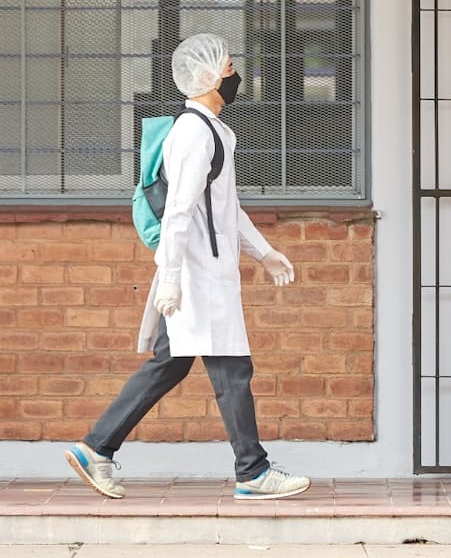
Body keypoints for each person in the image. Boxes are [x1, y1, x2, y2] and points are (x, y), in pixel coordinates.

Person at [64, 33, 311, 501]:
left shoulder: (214, 131)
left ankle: (96, 448)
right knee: (232, 367)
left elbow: (225, 208)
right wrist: (172, 280)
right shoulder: (194, 134)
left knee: (172, 363)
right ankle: (253, 471)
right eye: (230, 67)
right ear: (210, 76)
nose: (236, 75)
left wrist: (264, 251)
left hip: (205, 271)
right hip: (196, 274)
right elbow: (178, 211)